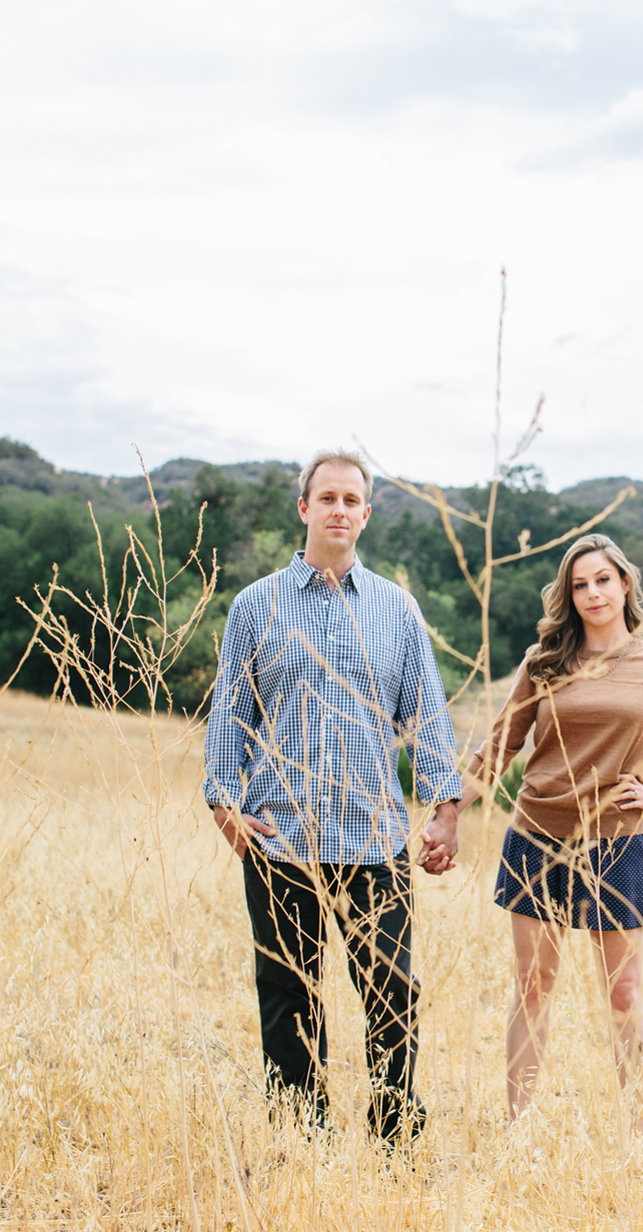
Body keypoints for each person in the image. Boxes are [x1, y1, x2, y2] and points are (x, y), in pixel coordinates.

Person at [202, 448, 462, 1145]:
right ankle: (300, 1143)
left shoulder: (395, 610)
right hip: (280, 840)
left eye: (353, 500)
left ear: (366, 514)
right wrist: (224, 805)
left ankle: (394, 1144)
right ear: (305, 509)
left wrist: (445, 812)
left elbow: (428, 715)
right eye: (328, 498)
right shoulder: (256, 606)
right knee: (289, 997)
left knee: (392, 997)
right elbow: (230, 714)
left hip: (374, 840)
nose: (340, 510)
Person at [457, 532, 643, 1132]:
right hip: (536, 837)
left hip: (617, 845)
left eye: (602, 580)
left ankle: (638, 1137)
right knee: (533, 986)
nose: (592, 593)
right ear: (568, 595)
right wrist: (447, 812)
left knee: (624, 994)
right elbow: (500, 745)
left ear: (625, 584)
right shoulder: (544, 663)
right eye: (579, 585)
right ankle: (519, 1129)